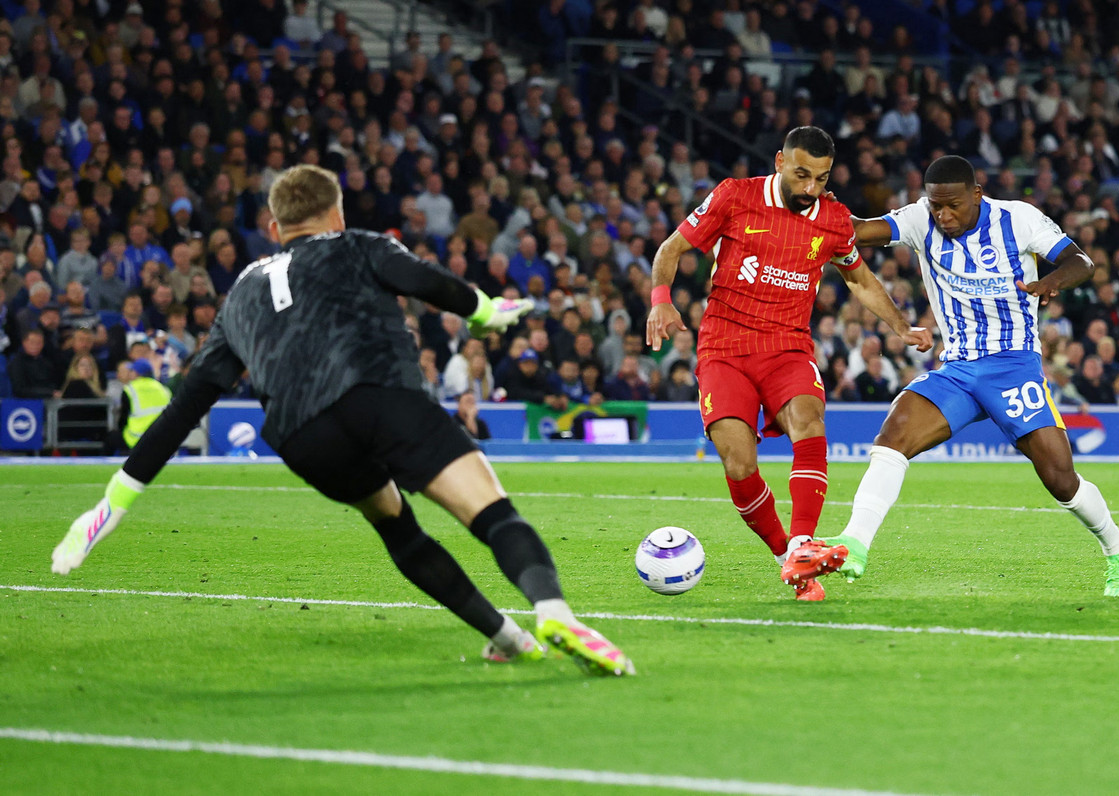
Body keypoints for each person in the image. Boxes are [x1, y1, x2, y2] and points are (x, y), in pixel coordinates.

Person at [52, 164, 633, 677]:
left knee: (396, 524)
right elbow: (426, 281)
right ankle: (553, 614)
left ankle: (507, 639)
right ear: (336, 212)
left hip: (303, 437)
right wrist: (487, 311)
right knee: (491, 511)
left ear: (275, 229)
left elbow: (185, 407)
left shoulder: (239, 296)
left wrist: (110, 505)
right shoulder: (355, 243)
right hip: (377, 393)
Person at [824, 155, 1119, 597]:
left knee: (1060, 479)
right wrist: (829, 211)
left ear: (976, 194)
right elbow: (858, 230)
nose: (943, 215)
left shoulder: (1019, 219)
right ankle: (854, 543)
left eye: (952, 205)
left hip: (1013, 365)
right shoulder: (919, 219)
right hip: (958, 368)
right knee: (893, 435)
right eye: (936, 206)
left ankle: (1118, 550)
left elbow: (1081, 261)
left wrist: (1053, 282)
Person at [646, 126, 931, 601]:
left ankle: (803, 542)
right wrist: (660, 300)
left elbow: (859, 280)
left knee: (809, 422)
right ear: (779, 161)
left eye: (820, 179)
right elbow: (670, 249)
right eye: (801, 175)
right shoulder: (734, 197)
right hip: (724, 347)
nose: (810, 189)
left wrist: (901, 327)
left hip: (788, 347)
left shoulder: (834, 219)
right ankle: (787, 557)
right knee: (738, 463)